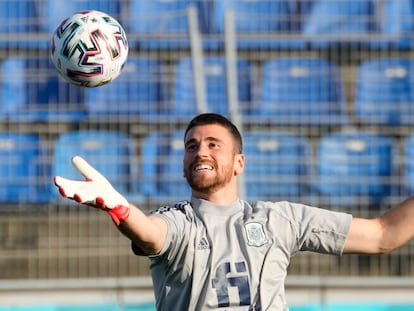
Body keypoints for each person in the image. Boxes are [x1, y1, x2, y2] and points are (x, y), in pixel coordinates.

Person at [54, 113, 414, 310]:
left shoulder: (279, 219)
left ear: (239, 162)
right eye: (191, 146)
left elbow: (383, 235)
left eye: (213, 144)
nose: (201, 152)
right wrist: (118, 206)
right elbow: (149, 233)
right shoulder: (181, 221)